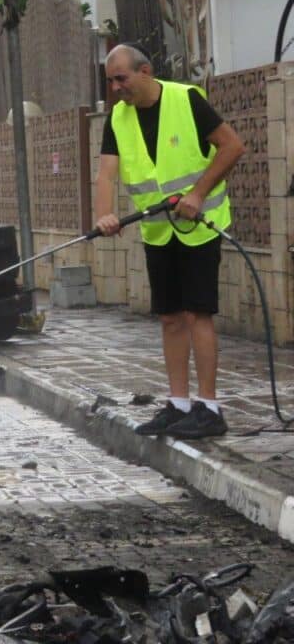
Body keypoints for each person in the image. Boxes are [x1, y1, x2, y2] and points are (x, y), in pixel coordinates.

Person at [94, 44, 245, 440]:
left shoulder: (186, 100)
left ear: (145, 71)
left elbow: (232, 147)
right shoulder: (118, 118)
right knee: (170, 317)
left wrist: (197, 194)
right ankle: (178, 404)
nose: (115, 88)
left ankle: (209, 408)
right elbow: (106, 174)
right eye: (110, 80)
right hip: (158, 231)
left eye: (121, 78)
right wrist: (105, 215)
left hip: (201, 226)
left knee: (198, 313)